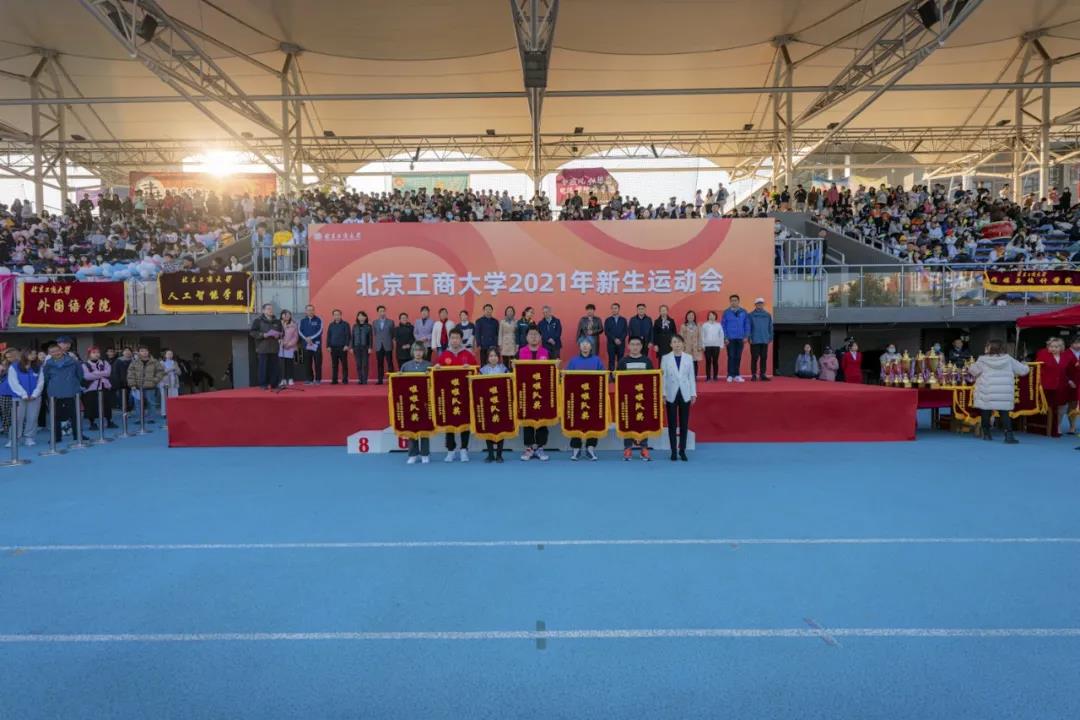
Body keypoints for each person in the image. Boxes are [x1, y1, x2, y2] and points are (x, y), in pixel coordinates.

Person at [970, 339, 1029, 444]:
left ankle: (987, 434)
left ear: (989, 348)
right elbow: (1023, 371)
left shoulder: (982, 360)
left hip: (987, 390)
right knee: (1004, 413)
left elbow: (973, 371)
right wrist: (1024, 364)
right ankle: (1008, 436)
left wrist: (971, 366)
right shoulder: (1008, 359)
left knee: (985, 412)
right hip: (1003, 392)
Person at [436, 327, 477, 462]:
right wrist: (437, 368)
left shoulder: (468, 355)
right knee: (450, 422)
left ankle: (464, 450)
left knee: (465, 421)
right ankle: (450, 450)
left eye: (457, 338)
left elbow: (476, 371)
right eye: (452, 338)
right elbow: (437, 376)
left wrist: (470, 369)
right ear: (449, 339)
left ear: (461, 339)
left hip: (464, 394)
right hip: (449, 395)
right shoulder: (444, 355)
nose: (455, 340)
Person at [565, 338, 604, 461]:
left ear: (591, 346)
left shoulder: (597, 360)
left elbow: (603, 377)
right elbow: (566, 377)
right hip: (576, 397)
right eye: (583, 344)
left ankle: (590, 447)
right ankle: (576, 448)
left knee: (593, 421)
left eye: (588, 344)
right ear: (579, 346)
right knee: (576, 421)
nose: (585, 346)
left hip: (593, 396)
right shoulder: (573, 361)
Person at [661, 334, 697, 461]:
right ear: (671, 344)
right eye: (674, 342)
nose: (677, 344)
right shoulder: (665, 358)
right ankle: (673, 451)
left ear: (683, 344)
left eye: (679, 342)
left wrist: (693, 393)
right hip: (671, 393)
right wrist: (663, 394)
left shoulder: (688, 357)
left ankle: (682, 450)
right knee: (672, 424)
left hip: (685, 393)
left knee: (684, 423)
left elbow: (691, 377)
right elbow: (663, 378)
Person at [517, 327, 551, 461]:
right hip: (526, 392)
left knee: (542, 419)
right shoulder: (520, 352)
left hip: (542, 391)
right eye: (531, 334)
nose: (533, 337)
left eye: (536, 334)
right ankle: (529, 447)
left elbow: (552, 371)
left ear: (540, 337)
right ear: (526, 337)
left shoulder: (546, 352)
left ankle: (540, 447)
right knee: (528, 419)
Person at [617, 336, 653, 461]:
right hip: (627, 398)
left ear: (641, 346)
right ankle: (628, 449)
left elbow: (652, 379)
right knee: (628, 422)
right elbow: (617, 379)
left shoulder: (647, 361)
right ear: (628, 346)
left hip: (642, 398)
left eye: (638, 344)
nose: (635, 347)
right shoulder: (623, 361)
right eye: (632, 344)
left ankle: (644, 449)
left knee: (643, 422)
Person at [399, 342, 433, 464]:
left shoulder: (429, 365)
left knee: (424, 427)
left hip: (424, 401)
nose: (418, 353)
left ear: (424, 352)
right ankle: (413, 454)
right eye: (416, 350)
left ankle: (425, 453)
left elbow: (434, 383)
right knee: (412, 427)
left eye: (420, 350)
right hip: (410, 400)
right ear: (412, 352)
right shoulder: (405, 366)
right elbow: (400, 383)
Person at [43, 343, 83, 443]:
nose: (56, 353)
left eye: (57, 350)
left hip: (71, 391)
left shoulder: (73, 362)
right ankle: (56, 437)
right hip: (55, 393)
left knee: (75, 415)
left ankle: (78, 435)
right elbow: (45, 377)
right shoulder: (48, 364)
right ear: (49, 354)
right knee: (55, 416)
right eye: (52, 352)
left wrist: (73, 383)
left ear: (61, 350)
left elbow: (80, 375)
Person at [1035, 337, 1074, 437]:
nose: (1053, 349)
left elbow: (1068, 372)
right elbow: (1037, 369)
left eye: (1056, 347)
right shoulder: (1042, 355)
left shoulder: (1066, 357)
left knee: (1062, 408)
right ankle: (1047, 427)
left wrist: (1069, 381)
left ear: (1061, 347)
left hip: (1062, 386)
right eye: (1051, 346)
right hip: (1047, 386)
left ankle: (1058, 425)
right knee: (1049, 408)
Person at [7, 349, 44, 446]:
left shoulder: (38, 367)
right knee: (17, 418)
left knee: (32, 418)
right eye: (31, 353)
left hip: (34, 397)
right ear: (24, 354)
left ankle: (29, 437)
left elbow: (41, 382)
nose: (34, 355)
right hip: (18, 397)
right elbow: (13, 382)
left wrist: (35, 394)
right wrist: (23, 394)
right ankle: (14, 439)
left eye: (35, 353)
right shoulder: (14, 367)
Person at [479, 349, 509, 463]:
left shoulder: (504, 369)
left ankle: (499, 455)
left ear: (498, 357)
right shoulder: (483, 370)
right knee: (489, 428)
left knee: (500, 428)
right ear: (487, 358)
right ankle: (490, 454)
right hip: (487, 402)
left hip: (500, 402)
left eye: (495, 355)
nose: (493, 358)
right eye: (491, 356)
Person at [127, 346, 165, 422]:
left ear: (148, 352)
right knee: (138, 403)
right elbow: (130, 374)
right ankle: (140, 418)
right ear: (138, 352)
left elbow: (160, 372)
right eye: (142, 351)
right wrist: (132, 384)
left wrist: (155, 380)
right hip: (138, 386)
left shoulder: (155, 362)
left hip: (150, 386)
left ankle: (151, 418)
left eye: (146, 351)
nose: (144, 352)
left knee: (151, 403)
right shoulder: (134, 362)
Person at [249, 303, 282, 390]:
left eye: (271, 308)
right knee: (263, 367)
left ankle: (274, 384)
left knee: (274, 367)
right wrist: (263, 335)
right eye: (268, 309)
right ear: (263, 310)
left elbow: (282, 333)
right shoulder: (258, 321)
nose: (270, 310)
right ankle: (263, 384)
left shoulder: (277, 321)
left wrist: (279, 335)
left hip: (274, 348)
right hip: (262, 348)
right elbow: (252, 332)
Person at [721, 294, 751, 382]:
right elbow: (723, 325)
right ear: (730, 302)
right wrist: (725, 337)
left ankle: (737, 375)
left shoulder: (743, 312)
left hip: (740, 338)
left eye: (735, 300)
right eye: (732, 301)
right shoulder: (726, 312)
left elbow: (747, 324)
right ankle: (730, 375)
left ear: (738, 301)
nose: (733, 302)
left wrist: (746, 336)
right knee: (731, 356)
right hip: (730, 338)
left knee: (738, 357)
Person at [748, 297, 773, 381]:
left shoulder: (768, 315)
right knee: (754, 358)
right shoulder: (750, 315)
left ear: (763, 304)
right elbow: (748, 327)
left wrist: (770, 336)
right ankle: (754, 375)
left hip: (764, 339)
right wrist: (749, 337)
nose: (760, 305)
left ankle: (762, 374)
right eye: (758, 303)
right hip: (754, 340)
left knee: (764, 357)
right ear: (755, 305)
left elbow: (770, 327)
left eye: (761, 303)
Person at [299, 304, 324, 385]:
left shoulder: (319, 320)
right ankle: (309, 379)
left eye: (312, 310)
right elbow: (299, 331)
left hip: (316, 345)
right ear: (306, 311)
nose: (310, 311)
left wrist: (311, 338)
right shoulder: (302, 321)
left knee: (318, 363)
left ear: (314, 310)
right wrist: (306, 339)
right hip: (306, 345)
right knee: (307, 363)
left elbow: (320, 331)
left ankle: (318, 379)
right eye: (308, 310)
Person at [372, 305, 395, 385]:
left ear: (385, 312)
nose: (382, 312)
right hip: (379, 345)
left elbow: (392, 334)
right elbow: (375, 334)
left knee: (390, 363)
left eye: (383, 311)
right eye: (380, 311)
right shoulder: (374, 322)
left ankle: (391, 380)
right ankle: (380, 380)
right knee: (380, 363)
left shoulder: (391, 322)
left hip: (388, 345)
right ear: (378, 312)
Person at [326, 308, 350, 385]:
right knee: (334, 365)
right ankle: (334, 380)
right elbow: (328, 336)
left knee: (344, 365)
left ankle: (345, 379)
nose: (337, 316)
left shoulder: (345, 324)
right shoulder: (331, 325)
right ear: (333, 316)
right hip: (333, 348)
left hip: (343, 347)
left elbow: (348, 335)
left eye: (338, 314)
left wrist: (347, 345)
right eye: (335, 315)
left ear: (340, 315)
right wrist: (328, 346)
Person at [603, 303, 628, 373]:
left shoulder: (623, 320)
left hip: (621, 343)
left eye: (615, 308)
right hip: (611, 343)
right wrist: (614, 339)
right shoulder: (608, 320)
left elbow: (625, 331)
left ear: (619, 309)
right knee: (611, 360)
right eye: (613, 308)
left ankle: (619, 375)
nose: (614, 310)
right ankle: (611, 375)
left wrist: (620, 339)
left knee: (621, 360)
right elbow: (606, 332)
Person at [700, 310, 724, 382]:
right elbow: (702, 335)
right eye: (710, 315)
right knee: (708, 362)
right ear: (708, 316)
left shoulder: (718, 325)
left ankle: (715, 376)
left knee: (715, 361)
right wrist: (703, 345)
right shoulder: (705, 325)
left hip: (716, 346)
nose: (711, 316)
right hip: (707, 346)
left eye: (713, 315)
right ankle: (708, 377)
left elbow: (721, 335)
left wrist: (721, 345)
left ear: (715, 316)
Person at [351, 310, 372, 385]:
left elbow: (370, 338)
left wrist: (370, 347)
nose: (361, 317)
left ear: (365, 317)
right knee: (358, 364)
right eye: (359, 316)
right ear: (357, 317)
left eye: (362, 316)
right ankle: (360, 379)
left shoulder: (368, 326)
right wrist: (351, 347)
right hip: (356, 347)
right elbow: (352, 337)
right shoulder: (354, 326)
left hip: (365, 347)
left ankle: (365, 380)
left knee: (365, 364)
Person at [158, 349, 181, 417]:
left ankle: (174, 412)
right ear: (165, 355)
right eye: (168, 354)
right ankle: (164, 413)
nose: (170, 355)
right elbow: (160, 373)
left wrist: (176, 370)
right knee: (164, 398)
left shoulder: (175, 362)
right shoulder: (161, 363)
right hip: (164, 383)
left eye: (171, 354)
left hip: (174, 382)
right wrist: (171, 369)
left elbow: (179, 372)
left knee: (174, 397)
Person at [681, 310, 703, 377]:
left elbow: (700, 337)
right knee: (686, 363)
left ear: (694, 317)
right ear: (687, 317)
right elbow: (681, 338)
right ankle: (686, 377)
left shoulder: (698, 325)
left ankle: (694, 377)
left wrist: (700, 346)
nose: (691, 316)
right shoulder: (683, 326)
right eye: (689, 315)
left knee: (695, 363)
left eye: (692, 315)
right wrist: (682, 347)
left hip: (695, 347)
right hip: (686, 348)